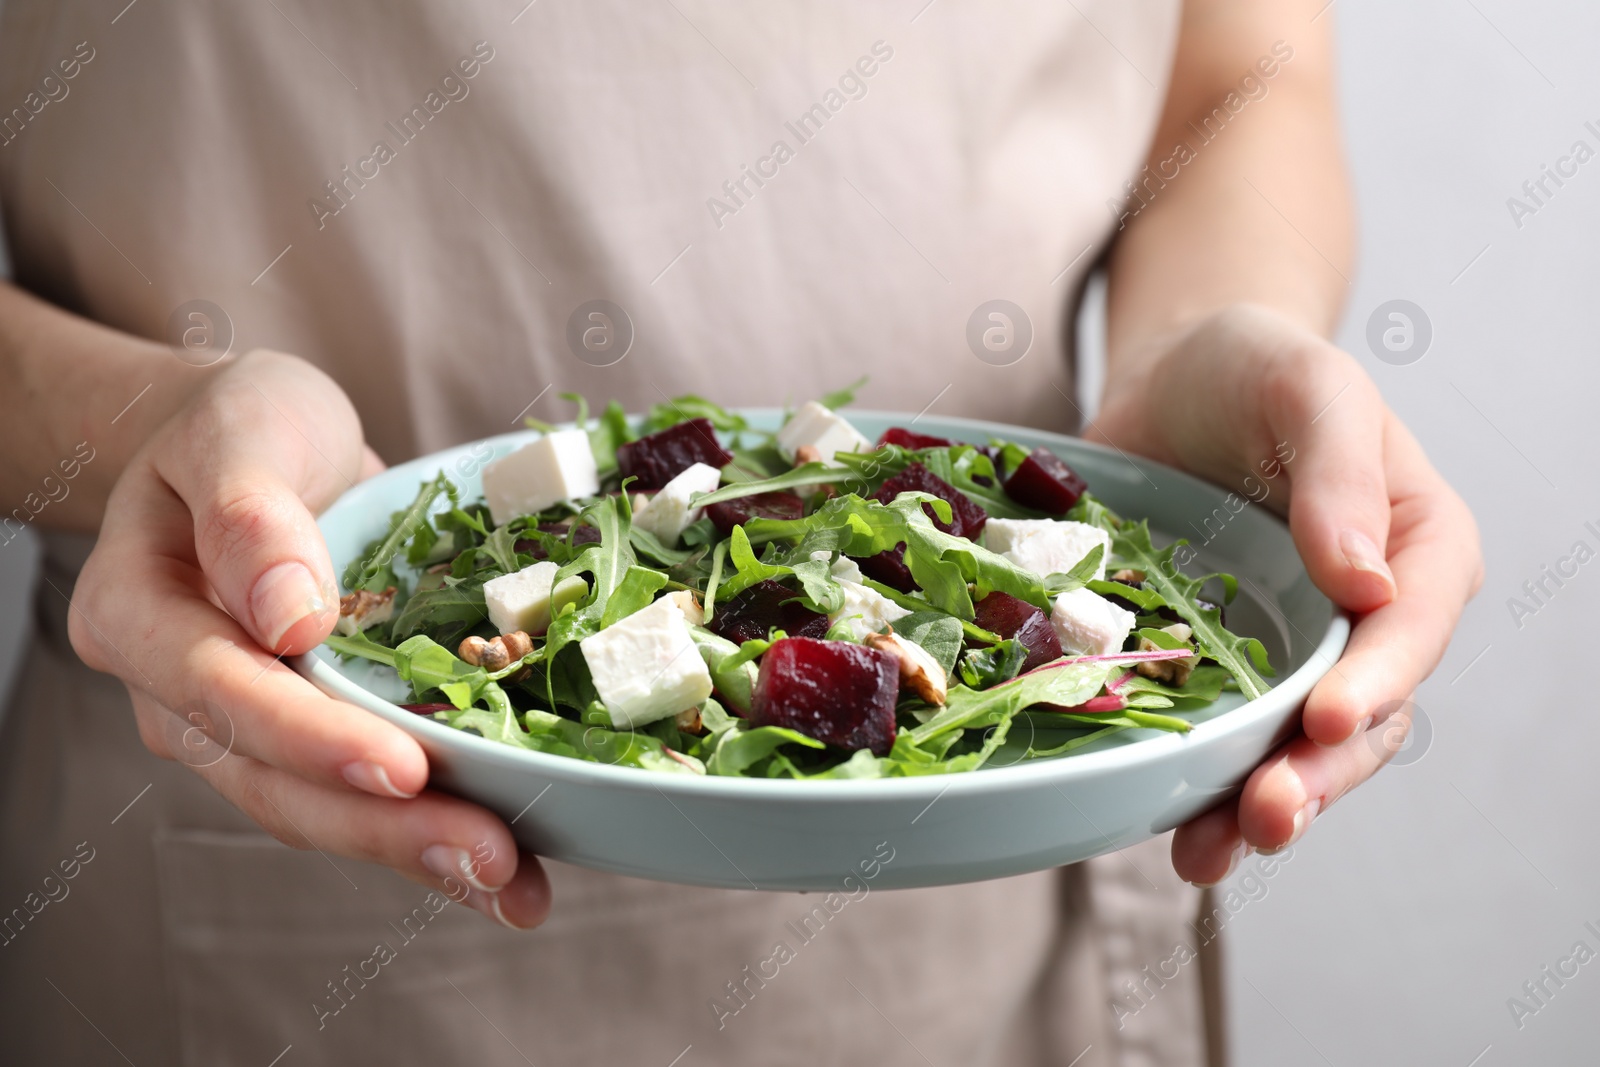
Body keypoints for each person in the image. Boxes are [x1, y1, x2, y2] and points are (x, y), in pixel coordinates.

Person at [0, 0, 1479, 1063]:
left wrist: (1198, 357)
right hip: (281, 799)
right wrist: (155, 429)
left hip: (1028, 853)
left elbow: (1239, 73)